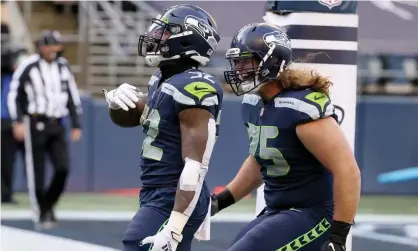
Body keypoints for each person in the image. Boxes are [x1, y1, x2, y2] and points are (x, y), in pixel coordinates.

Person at [211, 23, 361, 251]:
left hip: (314, 212)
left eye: (246, 61)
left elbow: (347, 171)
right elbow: (261, 158)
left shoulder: (300, 108)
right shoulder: (253, 103)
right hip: (278, 210)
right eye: (237, 62)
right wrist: (220, 201)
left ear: (271, 60)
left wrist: (339, 235)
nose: (239, 69)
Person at [103, 4, 222, 251]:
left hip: (174, 192)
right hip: (157, 191)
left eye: (165, 33)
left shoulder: (193, 86)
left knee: (136, 243)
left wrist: (175, 227)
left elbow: (195, 165)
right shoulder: (163, 78)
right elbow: (130, 119)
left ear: (187, 39)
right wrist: (116, 102)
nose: (156, 37)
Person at [7, 30, 83, 229]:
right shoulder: (29, 65)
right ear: (42, 47)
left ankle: (48, 205)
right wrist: (17, 121)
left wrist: (76, 123)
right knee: (36, 172)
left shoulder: (63, 66)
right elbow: (15, 94)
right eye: (51, 46)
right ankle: (40, 212)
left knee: (63, 168)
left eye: (57, 46)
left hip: (57, 122)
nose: (55, 50)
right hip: (35, 123)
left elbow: (72, 95)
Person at [1, 44, 29, 204]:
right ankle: (6, 194)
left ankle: (36, 190)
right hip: (5, 120)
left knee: (32, 160)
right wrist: (13, 57)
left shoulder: (30, 76)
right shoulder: (6, 74)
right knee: (6, 161)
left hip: (26, 121)